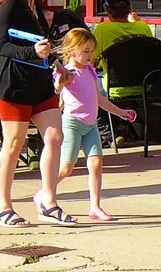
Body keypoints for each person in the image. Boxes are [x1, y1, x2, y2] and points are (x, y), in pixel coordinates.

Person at [0, 0, 75, 228]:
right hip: (13, 84)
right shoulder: (10, 4)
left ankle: (48, 201)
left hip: (39, 82)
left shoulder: (34, 2)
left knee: (54, 136)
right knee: (13, 144)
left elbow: (42, 44)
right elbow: (2, 46)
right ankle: (3, 207)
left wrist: (57, 65)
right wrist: (32, 53)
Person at [55, 28, 137, 222]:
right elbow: (57, 87)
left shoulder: (90, 70)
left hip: (91, 125)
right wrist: (60, 81)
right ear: (72, 50)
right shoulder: (69, 73)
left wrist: (121, 112)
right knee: (67, 167)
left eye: (91, 51)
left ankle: (95, 207)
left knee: (97, 163)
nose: (90, 55)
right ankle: (45, 193)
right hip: (72, 124)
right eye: (85, 51)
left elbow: (99, 99)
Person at [92, 0, 152, 98]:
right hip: (144, 85)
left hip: (115, 89)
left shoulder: (102, 30)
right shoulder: (143, 27)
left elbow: (91, 62)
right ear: (130, 9)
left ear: (107, 10)